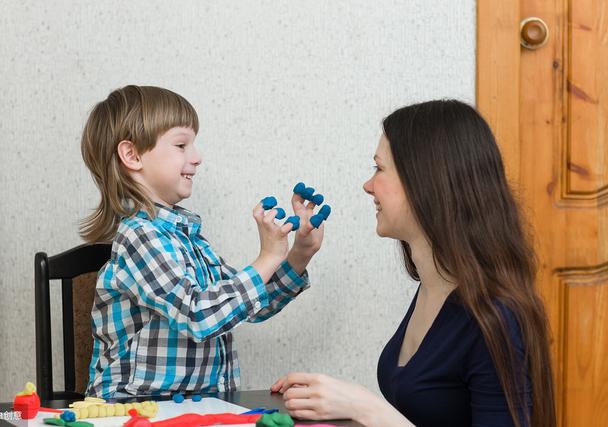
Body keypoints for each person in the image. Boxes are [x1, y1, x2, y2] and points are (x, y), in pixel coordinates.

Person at [272, 100, 555, 427]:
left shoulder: (496, 318)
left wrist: (364, 407)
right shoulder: (434, 287)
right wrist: (336, 400)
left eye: (379, 168)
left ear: (425, 181)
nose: (368, 185)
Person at [79, 85, 324, 398]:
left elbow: (249, 306)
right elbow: (197, 316)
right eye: (182, 144)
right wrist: (266, 257)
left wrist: (298, 254)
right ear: (132, 155)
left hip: (198, 408)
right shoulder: (139, 237)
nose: (197, 158)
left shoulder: (189, 239)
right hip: (136, 410)